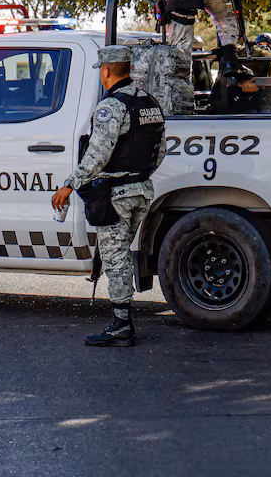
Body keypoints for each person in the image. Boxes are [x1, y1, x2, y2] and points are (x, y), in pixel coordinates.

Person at [50, 45, 166, 347]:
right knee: (121, 255)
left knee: (115, 259)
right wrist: (140, 176)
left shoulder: (111, 107)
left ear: (105, 71)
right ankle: (121, 320)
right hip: (142, 190)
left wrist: (69, 184)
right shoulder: (149, 102)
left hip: (116, 194)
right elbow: (160, 149)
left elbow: (97, 155)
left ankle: (121, 325)